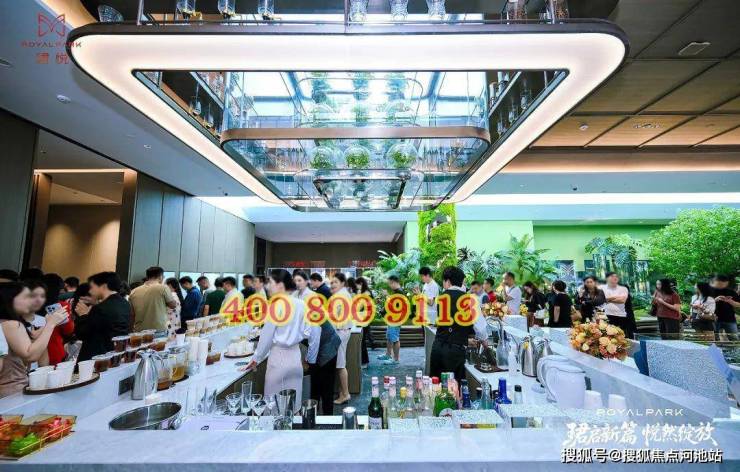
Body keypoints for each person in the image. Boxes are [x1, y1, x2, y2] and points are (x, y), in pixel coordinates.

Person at [245, 269, 309, 413]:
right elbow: (307, 332)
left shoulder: (275, 306)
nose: (267, 286)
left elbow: (266, 338)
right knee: (293, 404)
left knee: (273, 406)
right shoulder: (301, 304)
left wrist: (256, 358)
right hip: (295, 358)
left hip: (278, 359)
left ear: (280, 285)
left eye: (270, 283)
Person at [0, 282, 67, 397]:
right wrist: (50, 324)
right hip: (14, 391)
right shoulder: (11, 324)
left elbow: (37, 358)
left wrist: (43, 329)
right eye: (26, 297)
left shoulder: (5, 323)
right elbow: (30, 356)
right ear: (10, 299)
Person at [429, 266, 488, 381]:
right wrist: (484, 341)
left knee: (436, 385)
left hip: (438, 348)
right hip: (455, 352)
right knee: (454, 387)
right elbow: (480, 330)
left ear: (448, 281)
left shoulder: (440, 298)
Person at [74, 272, 130, 362]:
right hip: (116, 353)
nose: (90, 291)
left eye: (92, 287)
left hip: (97, 357)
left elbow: (82, 333)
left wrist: (83, 315)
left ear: (103, 286)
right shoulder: (124, 303)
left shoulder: (100, 308)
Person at [28, 279, 74, 366]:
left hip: (45, 359)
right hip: (54, 352)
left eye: (42, 296)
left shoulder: (37, 316)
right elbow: (68, 330)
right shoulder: (60, 306)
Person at [130, 267, 177, 333]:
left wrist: (131, 330)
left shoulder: (134, 291)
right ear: (160, 276)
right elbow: (173, 305)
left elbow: (132, 314)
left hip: (139, 330)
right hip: (158, 329)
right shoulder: (163, 288)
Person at [330, 272, 354, 404]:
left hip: (341, 332)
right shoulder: (343, 294)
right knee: (340, 363)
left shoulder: (340, 296)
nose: (332, 284)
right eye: (331, 282)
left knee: (340, 365)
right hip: (343, 330)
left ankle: (345, 394)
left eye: (335, 282)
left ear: (342, 283)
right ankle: (342, 392)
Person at [378, 275, 403, 367]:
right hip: (392, 318)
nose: (389, 285)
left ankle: (396, 359)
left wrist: (386, 296)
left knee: (395, 338)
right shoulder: (396, 292)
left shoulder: (400, 292)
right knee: (389, 337)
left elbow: (396, 306)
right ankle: (388, 355)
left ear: (393, 282)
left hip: (396, 319)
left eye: (389, 283)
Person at [712, 275, 740, 341]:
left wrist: (730, 301)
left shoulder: (731, 292)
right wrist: (715, 300)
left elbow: (738, 304)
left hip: (730, 319)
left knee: (734, 339)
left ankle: (733, 348)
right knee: (714, 339)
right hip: (714, 319)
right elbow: (703, 304)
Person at [356, 276, 373, 367]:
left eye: (357, 285)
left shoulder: (366, 294)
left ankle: (365, 361)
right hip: (363, 318)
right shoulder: (365, 292)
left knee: (362, 341)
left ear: (361, 284)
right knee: (362, 341)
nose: (356, 287)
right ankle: (363, 361)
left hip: (364, 319)